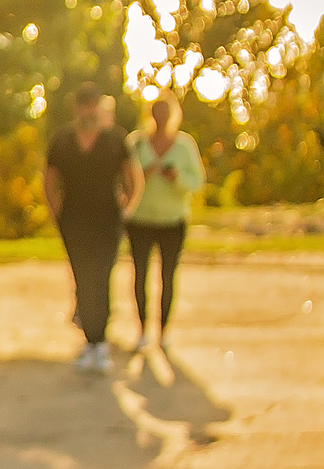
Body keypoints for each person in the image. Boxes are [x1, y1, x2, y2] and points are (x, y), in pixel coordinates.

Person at [43, 80, 143, 373]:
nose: (88, 109)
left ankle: (100, 342)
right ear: (76, 107)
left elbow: (132, 178)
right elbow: (49, 178)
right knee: (82, 278)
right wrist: (55, 210)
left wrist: (127, 206)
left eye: (93, 103)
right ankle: (90, 341)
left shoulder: (115, 139)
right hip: (74, 219)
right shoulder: (62, 140)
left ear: (99, 106)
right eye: (84, 103)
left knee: (101, 276)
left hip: (107, 220)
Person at [125, 92, 205, 352]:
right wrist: (142, 175)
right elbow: (122, 177)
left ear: (172, 115)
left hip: (173, 220)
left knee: (167, 276)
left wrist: (176, 177)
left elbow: (197, 182)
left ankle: (164, 330)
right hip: (140, 219)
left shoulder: (184, 145)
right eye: (156, 113)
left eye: (165, 113)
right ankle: (142, 329)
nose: (161, 119)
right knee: (140, 275)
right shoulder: (135, 143)